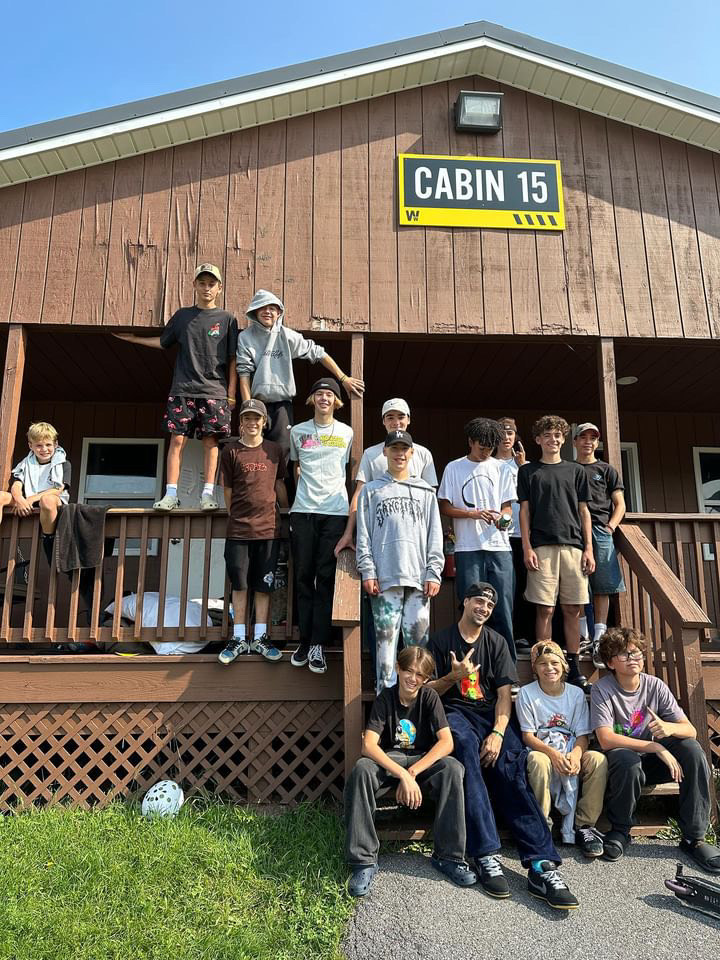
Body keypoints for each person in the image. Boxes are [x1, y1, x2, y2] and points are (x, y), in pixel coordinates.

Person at [427, 583, 579, 910]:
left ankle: (541, 864)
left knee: (511, 768)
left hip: (491, 716)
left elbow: (503, 696)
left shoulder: (496, 642)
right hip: (454, 713)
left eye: (489, 605)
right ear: (465, 601)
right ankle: (485, 853)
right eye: (478, 601)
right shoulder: (440, 641)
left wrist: (497, 732)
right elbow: (428, 694)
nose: (483, 608)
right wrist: (452, 677)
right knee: (466, 753)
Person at [344, 645, 476, 897]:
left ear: (426, 679)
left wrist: (413, 772)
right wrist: (403, 774)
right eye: (409, 671)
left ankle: (449, 856)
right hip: (391, 762)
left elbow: (446, 743)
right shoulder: (386, 698)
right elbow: (369, 745)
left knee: (453, 768)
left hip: (421, 761)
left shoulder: (429, 698)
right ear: (398, 668)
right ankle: (363, 860)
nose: (413, 679)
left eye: (420, 675)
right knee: (362, 769)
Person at [591, 627, 720, 872]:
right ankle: (620, 830)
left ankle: (695, 837)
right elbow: (606, 739)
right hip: (622, 763)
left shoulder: (655, 686)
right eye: (625, 654)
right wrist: (655, 745)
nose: (633, 659)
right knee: (627, 760)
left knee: (692, 750)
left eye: (637, 653)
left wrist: (668, 728)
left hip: (654, 762)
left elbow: (690, 730)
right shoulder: (603, 689)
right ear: (610, 662)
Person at [114, 263, 238, 512]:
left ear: (219, 288)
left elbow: (234, 358)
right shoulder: (182, 316)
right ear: (194, 285)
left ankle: (207, 495)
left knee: (211, 443)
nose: (206, 288)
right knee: (177, 441)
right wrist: (134, 339)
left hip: (214, 390)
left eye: (211, 284)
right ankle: (171, 494)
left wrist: (231, 394)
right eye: (202, 283)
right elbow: (163, 342)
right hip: (182, 389)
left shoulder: (227, 319)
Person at [355, 429, 444, 693]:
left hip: (418, 580)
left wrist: (433, 572)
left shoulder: (425, 491)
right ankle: (386, 707)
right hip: (385, 579)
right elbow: (364, 535)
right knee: (385, 648)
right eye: (394, 449)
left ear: (412, 453)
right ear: (385, 452)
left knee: (418, 649)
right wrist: (368, 571)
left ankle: (416, 706)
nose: (399, 454)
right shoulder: (371, 491)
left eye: (404, 449)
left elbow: (435, 535)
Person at [235, 290, 364, 465]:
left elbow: (319, 353)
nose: (267, 311)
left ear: (279, 312)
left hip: (282, 405)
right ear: (255, 311)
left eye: (272, 308)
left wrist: (344, 378)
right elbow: (243, 374)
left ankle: (283, 492)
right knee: (252, 452)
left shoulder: (287, 335)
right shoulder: (246, 337)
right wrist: (247, 408)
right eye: (262, 308)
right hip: (257, 404)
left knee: (282, 456)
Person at [517, 415, 595, 692]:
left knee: (573, 609)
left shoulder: (576, 471)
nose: (553, 440)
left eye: (558, 436)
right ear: (538, 439)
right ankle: (544, 663)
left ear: (564, 439)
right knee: (545, 609)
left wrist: (588, 548)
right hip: (541, 547)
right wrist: (527, 546)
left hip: (574, 546)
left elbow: (584, 511)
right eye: (547, 435)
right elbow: (524, 512)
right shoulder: (528, 472)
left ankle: (572, 667)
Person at [516, 641, 608, 856]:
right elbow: (528, 736)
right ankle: (542, 823)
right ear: (535, 668)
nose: (549, 668)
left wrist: (576, 755)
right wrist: (554, 755)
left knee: (597, 760)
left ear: (564, 666)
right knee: (538, 762)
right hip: (542, 749)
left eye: (554, 663)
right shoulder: (527, 694)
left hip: (571, 747)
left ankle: (584, 826)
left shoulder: (575, 694)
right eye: (543, 664)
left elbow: (583, 734)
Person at [216, 399, 288, 665]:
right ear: (241, 422)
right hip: (238, 530)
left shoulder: (274, 450)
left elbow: (279, 484)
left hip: (269, 528)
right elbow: (228, 491)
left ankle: (260, 637)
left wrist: (287, 510)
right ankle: (238, 638)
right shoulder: (231, 452)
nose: (252, 422)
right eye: (247, 418)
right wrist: (235, 515)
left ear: (264, 422)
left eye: (257, 418)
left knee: (263, 584)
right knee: (240, 584)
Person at [289, 378, 353, 675]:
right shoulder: (298, 432)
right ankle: (304, 640)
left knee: (325, 577)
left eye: (330, 395)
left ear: (336, 402)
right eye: (319, 394)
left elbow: (349, 470)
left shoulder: (346, 432)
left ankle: (319, 644)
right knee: (303, 575)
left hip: (335, 512)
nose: (324, 398)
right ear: (312, 399)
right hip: (303, 511)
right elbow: (294, 467)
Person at [437, 418, 516, 659]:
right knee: (470, 605)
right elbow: (445, 506)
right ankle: (469, 663)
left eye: (490, 449)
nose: (485, 453)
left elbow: (507, 507)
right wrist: (472, 513)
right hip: (467, 547)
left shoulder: (501, 468)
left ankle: (506, 666)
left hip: (499, 547)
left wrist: (503, 519)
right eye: (481, 447)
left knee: (502, 606)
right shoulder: (454, 467)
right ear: (471, 442)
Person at [335, 398, 437, 555]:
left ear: (408, 419)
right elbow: (359, 494)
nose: (396, 422)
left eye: (401, 417)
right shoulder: (370, 453)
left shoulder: (423, 453)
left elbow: (431, 501)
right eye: (390, 417)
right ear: (383, 421)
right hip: (381, 534)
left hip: (416, 537)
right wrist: (348, 533)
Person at [572, 423, 626, 667]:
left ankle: (599, 637)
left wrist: (610, 527)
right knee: (577, 583)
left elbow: (620, 503)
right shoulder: (568, 469)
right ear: (574, 442)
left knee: (602, 585)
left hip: (600, 530)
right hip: (572, 531)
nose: (588, 442)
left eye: (593, 438)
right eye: (583, 437)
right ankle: (583, 635)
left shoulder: (606, 469)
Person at [3, 422, 70, 560]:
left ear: (55, 444)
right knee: (1, 496)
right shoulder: (25, 464)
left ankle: (48, 537)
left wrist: (31, 499)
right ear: (30, 446)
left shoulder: (63, 463)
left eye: (48, 445)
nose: (44, 449)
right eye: (39, 445)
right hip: (26, 500)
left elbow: (58, 490)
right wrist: (20, 500)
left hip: (52, 502)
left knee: (47, 500)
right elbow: (16, 486)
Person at [494, 416, 532, 650]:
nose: (506, 438)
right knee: (504, 587)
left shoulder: (525, 466)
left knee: (523, 587)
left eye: (510, 433)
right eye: (502, 433)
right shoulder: (488, 463)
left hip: (522, 535)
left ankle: (522, 635)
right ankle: (501, 635)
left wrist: (522, 466)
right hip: (498, 536)